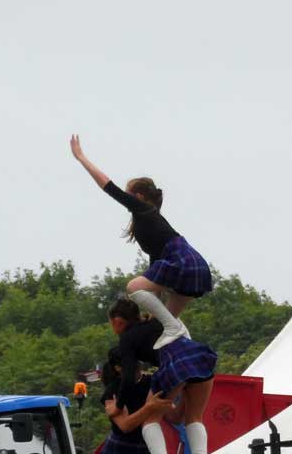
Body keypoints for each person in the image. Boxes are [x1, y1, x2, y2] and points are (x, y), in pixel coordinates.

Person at [71, 135, 212, 348]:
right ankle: (189, 348)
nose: (126, 199)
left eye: (129, 195)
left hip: (184, 262)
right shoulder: (150, 221)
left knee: (133, 287)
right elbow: (155, 271)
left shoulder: (144, 209)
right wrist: (149, 310)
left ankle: (175, 329)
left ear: (138, 196)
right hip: (191, 265)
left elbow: (108, 187)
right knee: (161, 324)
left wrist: (82, 158)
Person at [108, 296, 216, 454]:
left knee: (150, 420)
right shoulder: (157, 320)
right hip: (198, 356)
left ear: (117, 321)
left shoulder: (127, 338)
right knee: (194, 416)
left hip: (173, 364)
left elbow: (128, 375)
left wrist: (119, 404)